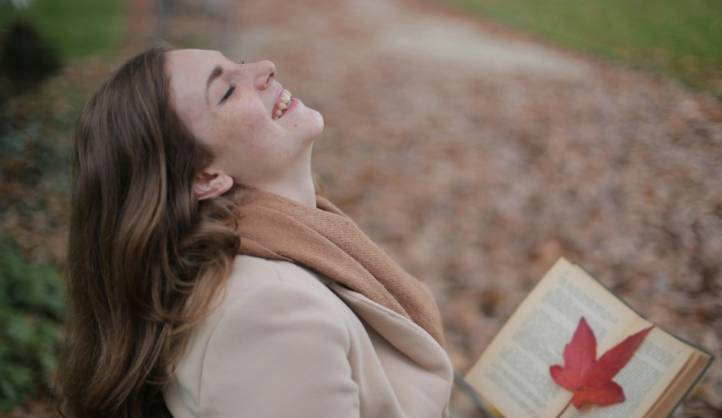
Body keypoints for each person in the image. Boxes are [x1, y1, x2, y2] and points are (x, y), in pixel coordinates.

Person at [56, 45, 454, 418]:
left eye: (240, 64)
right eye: (227, 91)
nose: (266, 68)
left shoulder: (291, 252)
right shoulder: (271, 312)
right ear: (205, 177)